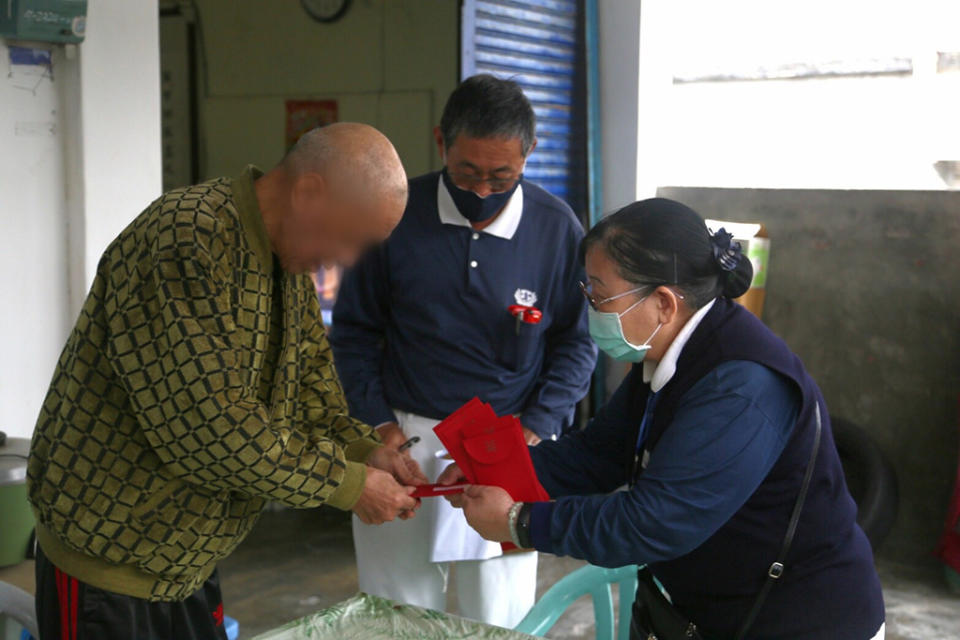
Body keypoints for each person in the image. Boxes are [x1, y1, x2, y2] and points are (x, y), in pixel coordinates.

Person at [27, 123, 428, 640]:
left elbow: (311, 391)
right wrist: (348, 486)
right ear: (308, 192)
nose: (347, 260)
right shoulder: (186, 240)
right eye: (350, 239)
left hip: (188, 562)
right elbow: (211, 432)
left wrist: (360, 450)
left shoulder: (287, 259)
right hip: (111, 563)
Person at [442, 198, 886, 639]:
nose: (591, 308)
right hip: (695, 608)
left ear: (664, 304)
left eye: (599, 294)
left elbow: (653, 522)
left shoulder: (742, 387)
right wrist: (491, 471)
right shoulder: (665, 356)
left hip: (796, 621)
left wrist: (522, 522)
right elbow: (596, 454)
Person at [330, 75, 597, 627]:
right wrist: (378, 429)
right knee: (395, 611)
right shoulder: (394, 216)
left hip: (506, 445)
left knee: (500, 615)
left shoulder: (556, 230)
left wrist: (531, 433)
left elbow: (576, 343)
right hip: (404, 440)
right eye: (467, 172)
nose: (481, 190)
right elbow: (354, 333)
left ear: (528, 154)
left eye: (501, 175)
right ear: (440, 143)